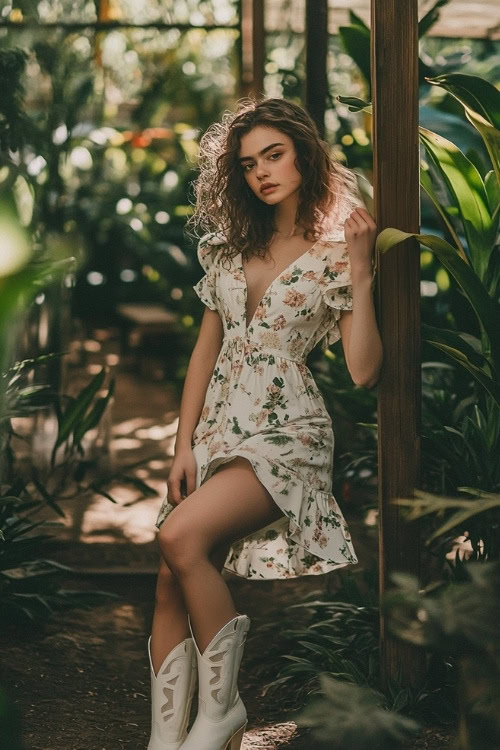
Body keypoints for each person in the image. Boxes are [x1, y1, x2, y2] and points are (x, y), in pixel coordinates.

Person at [146, 98, 383, 750]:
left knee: (180, 538)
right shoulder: (229, 249)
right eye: (248, 164)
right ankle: (168, 740)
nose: (261, 173)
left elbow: (363, 371)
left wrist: (361, 276)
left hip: (286, 432)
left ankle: (221, 715)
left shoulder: (335, 254)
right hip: (218, 430)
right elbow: (207, 348)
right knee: (172, 578)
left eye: (273, 154)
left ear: (304, 153)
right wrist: (182, 444)